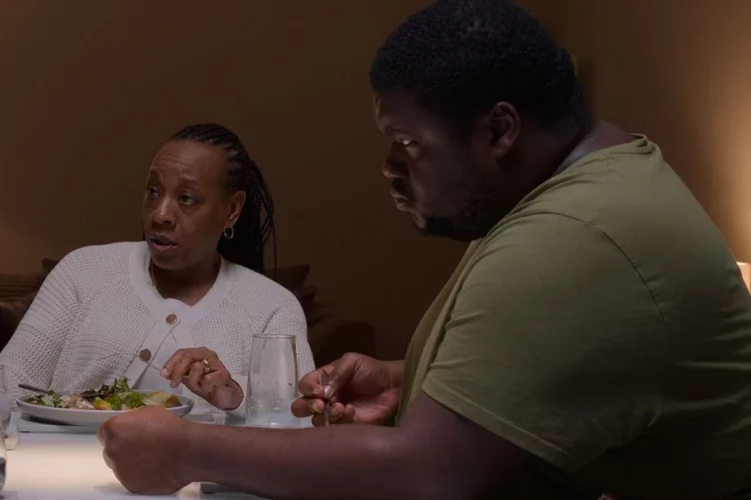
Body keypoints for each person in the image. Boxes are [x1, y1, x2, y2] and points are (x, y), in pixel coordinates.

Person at [99, 1, 751, 498]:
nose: (389, 167)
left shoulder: (577, 234)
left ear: (499, 129)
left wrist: (188, 451)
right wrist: (405, 376)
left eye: (409, 142)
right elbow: (567, 361)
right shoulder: (592, 186)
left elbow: (427, 476)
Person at [0, 123, 314, 415]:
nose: (160, 215)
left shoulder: (272, 306)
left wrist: (234, 393)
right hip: (62, 459)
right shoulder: (82, 271)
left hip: (201, 464)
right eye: (153, 192)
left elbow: (296, 416)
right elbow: (7, 385)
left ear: (231, 209)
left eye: (186, 198)